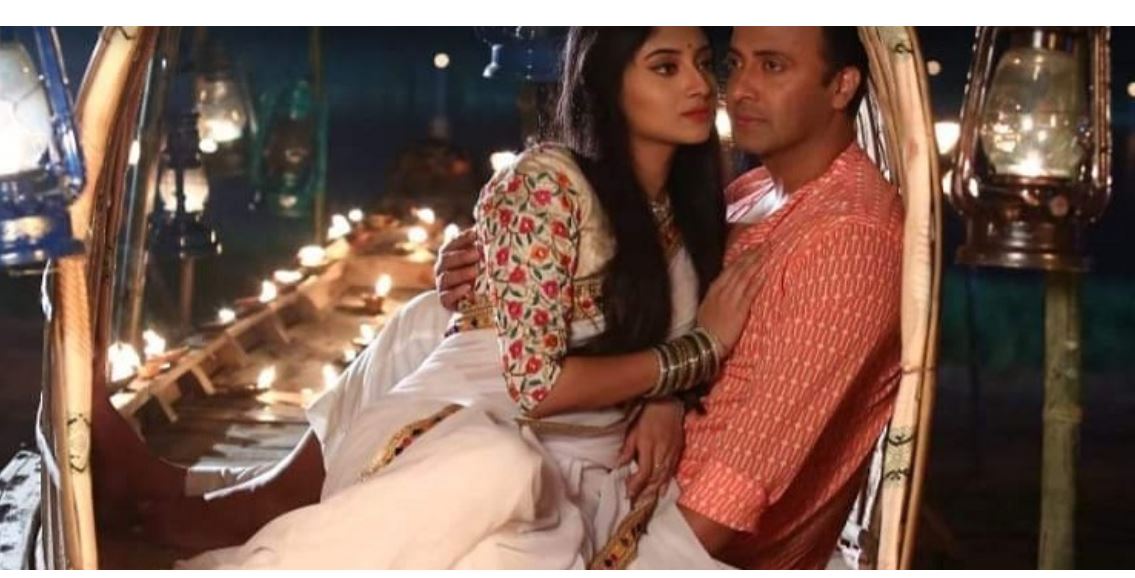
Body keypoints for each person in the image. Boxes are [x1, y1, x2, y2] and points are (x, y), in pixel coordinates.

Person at [92, 27, 762, 569]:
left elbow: (644, 326)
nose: (699, 84)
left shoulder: (697, 211)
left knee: (507, 525)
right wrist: (691, 357)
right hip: (476, 416)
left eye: (704, 63)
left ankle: (217, 504)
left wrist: (667, 399)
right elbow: (536, 385)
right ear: (608, 83)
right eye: (666, 67)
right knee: (493, 464)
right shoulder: (551, 183)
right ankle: (216, 521)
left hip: (584, 463)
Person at [436, 26, 905, 569]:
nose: (737, 89)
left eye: (773, 66)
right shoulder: (748, 194)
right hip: (608, 482)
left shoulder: (849, 241)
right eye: (734, 64)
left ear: (842, 85)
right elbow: (652, 313)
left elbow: (739, 483)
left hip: (662, 542)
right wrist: (667, 396)